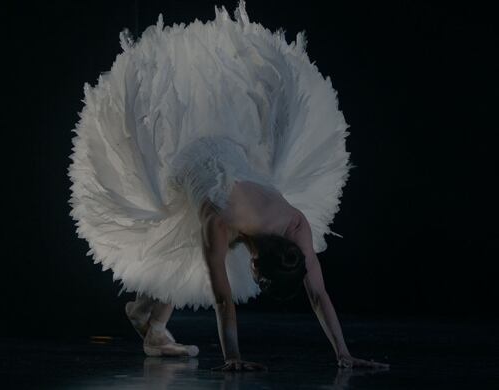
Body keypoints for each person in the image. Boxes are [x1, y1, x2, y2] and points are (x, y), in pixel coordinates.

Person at [68, 2, 388, 370]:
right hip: (189, 167)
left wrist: (343, 353)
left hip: (232, 151)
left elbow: (318, 293)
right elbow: (224, 301)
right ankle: (148, 318)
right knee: (186, 252)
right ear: (254, 266)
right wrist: (232, 357)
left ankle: (147, 316)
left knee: (192, 253)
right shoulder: (221, 223)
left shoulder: (294, 223)